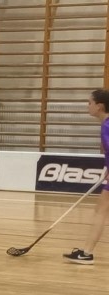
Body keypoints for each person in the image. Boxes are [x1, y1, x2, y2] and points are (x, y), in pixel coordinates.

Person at [64, 88, 109, 264]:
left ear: (99, 106)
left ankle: (87, 253)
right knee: (100, 210)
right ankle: (87, 252)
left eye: (90, 102)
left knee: (100, 211)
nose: (87, 106)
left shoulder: (107, 126)